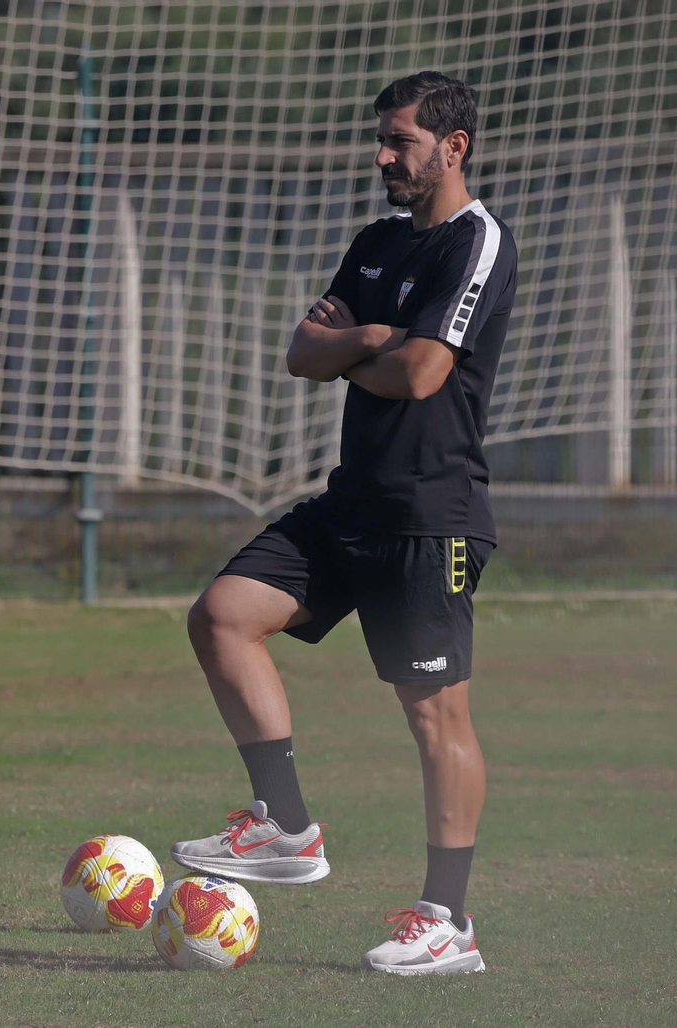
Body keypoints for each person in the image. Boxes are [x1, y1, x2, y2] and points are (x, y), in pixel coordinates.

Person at [170, 71, 517, 976]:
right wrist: (368, 342)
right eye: (383, 138)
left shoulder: (476, 244)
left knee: (434, 715)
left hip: (428, 517)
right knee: (222, 614)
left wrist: (360, 348)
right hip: (350, 502)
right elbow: (302, 353)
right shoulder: (375, 242)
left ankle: (450, 922)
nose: (382, 156)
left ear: (453, 147)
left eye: (400, 141)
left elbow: (423, 376)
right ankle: (285, 826)